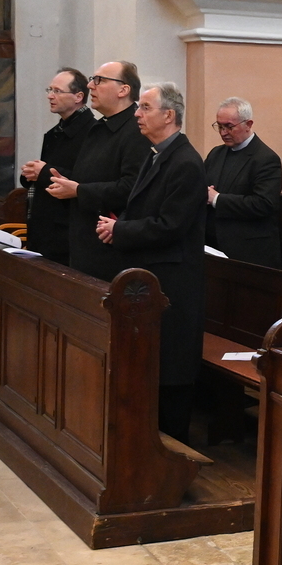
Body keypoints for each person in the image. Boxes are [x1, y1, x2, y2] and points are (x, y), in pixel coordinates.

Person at [97, 84, 207, 442]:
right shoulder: (156, 154)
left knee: (170, 368)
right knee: (150, 364)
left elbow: (171, 225)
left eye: (145, 107)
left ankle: (171, 448)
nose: (137, 114)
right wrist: (119, 226)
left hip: (172, 282)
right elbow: (141, 207)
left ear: (168, 115)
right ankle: (145, 440)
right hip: (150, 277)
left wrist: (121, 230)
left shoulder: (186, 162)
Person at [44, 61, 148, 281]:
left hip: (110, 250)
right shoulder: (99, 128)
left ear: (123, 89)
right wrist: (68, 183)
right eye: (93, 79)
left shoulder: (136, 130)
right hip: (83, 243)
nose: (91, 85)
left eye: (99, 80)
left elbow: (132, 188)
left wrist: (78, 190)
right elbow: (89, 177)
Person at [19, 68, 94, 264]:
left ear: (78, 96)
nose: (50, 96)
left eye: (57, 91)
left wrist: (43, 172)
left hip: (67, 233)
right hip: (46, 227)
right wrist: (31, 174)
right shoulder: (56, 132)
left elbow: (88, 180)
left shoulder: (92, 133)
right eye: (50, 90)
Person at [203, 97, 282, 268]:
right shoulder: (216, 154)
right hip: (213, 247)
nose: (223, 132)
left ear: (248, 124)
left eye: (229, 126)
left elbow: (264, 204)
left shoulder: (265, 158)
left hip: (248, 253)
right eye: (219, 126)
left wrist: (217, 199)